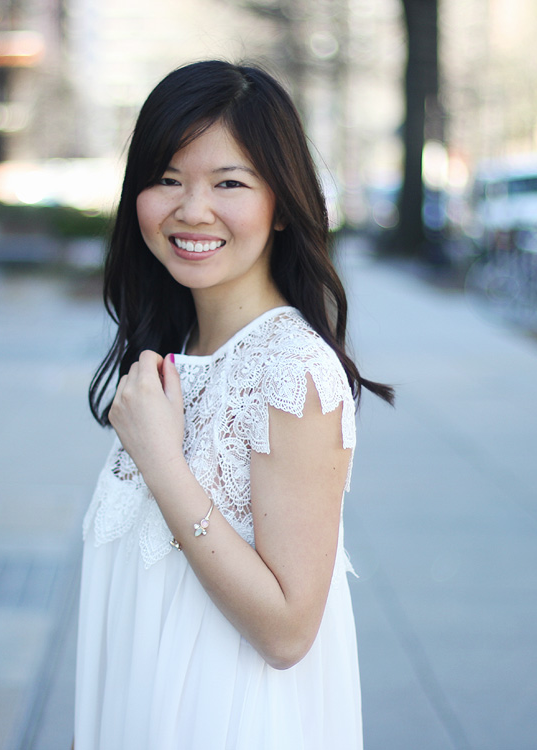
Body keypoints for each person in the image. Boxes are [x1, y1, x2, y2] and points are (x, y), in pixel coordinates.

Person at [76, 60, 393, 749]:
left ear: (281, 206)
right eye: (167, 180)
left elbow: (287, 631)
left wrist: (163, 465)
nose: (192, 209)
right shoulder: (176, 352)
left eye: (228, 183)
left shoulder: (291, 371)